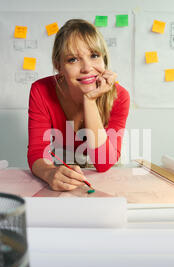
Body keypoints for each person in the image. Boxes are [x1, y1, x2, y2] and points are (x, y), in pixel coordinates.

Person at [27, 19, 130, 191]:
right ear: (58, 65)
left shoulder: (120, 97)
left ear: (104, 58)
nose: (87, 68)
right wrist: (49, 173)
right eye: (73, 59)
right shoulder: (41, 91)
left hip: (105, 168)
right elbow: (37, 152)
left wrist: (89, 100)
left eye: (94, 55)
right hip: (62, 167)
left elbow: (103, 164)